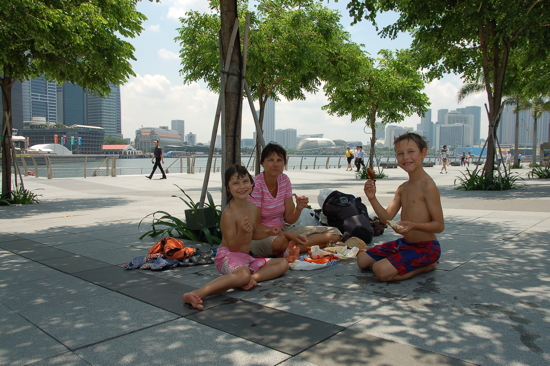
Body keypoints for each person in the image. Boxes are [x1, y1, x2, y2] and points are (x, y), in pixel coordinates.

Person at [183, 164, 288, 310]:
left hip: (246, 258)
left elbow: (254, 232)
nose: (242, 186)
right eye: (235, 183)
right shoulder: (229, 213)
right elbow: (232, 246)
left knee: (282, 263)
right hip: (228, 256)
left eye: (245, 181)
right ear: (228, 187)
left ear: (252, 183)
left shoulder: (253, 207)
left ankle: (250, 279)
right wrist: (243, 233)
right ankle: (197, 293)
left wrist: (268, 232)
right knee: (243, 274)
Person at [357, 132, 444, 282]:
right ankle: (402, 261)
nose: (406, 157)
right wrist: (372, 198)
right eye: (400, 154)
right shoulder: (403, 188)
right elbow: (386, 218)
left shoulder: (428, 186)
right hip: (405, 244)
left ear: (423, 153)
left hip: (426, 247)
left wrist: (413, 225)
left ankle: (427, 266)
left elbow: (439, 225)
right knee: (362, 260)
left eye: (411, 152)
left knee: (380, 270)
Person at [249, 142, 342, 257]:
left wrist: (298, 208)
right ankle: (308, 246)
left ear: (284, 163)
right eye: (270, 160)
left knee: (334, 233)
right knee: (279, 242)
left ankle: (291, 250)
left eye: (279, 160)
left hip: (283, 229)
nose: (275, 164)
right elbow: (256, 225)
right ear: (262, 163)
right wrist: (289, 236)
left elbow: (290, 218)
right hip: (262, 234)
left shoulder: (284, 180)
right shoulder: (256, 185)